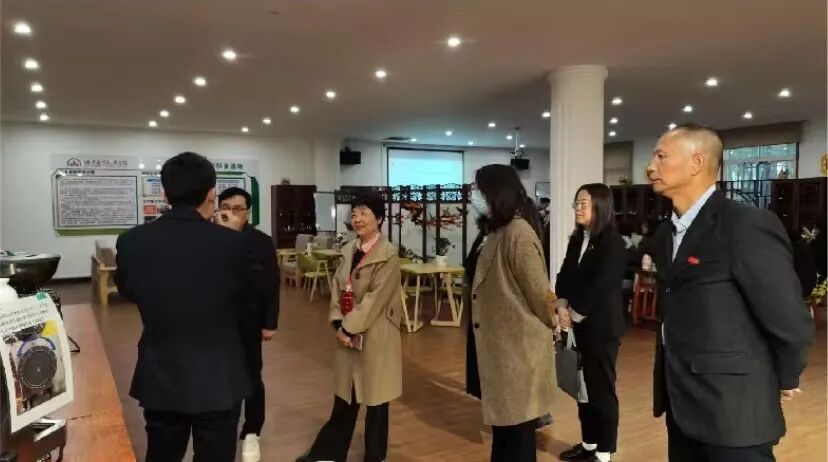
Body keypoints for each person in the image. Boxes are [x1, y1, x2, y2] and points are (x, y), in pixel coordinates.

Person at [646, 124, 814, 461]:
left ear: (696, 162)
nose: (650, 167)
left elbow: (788, 315)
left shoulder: (744, 224)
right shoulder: (666, 234)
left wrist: (786, 374)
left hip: (734, 408)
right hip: (681, 400)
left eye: (661, 157)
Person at [116, 152, 270, 462]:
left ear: (164, 193)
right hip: (219, 378)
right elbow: (254, 296)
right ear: (212, 194)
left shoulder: (132, 241)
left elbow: (129, 291)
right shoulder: (235, 244)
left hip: (161, 374)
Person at [297, 193, 402, 462]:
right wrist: (338, 323)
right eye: (354, 214)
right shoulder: (348, 250)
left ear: (380, 219)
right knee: (345, 398)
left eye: (364, 213)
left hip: (376, 336)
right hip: (347, 334)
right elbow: (336, 287)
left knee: (377, 404)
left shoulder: (389, 255)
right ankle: (327, 455)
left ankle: (375, 457)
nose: (357, 219)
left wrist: (349, 328)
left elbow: (375, 299)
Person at [470, 164, 557, 462]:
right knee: (505, 435)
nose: (474, 195)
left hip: (519, 353)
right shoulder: (497, 230)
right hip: (503, 351)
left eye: (478, 189)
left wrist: (557, 322)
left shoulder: (518, 233)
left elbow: (539, 293)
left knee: (518, 438)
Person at [555, 184, 627, 462]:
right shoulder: (578, 239)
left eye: (584, 203)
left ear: (601, 206)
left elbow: (600, 287)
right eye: (576, 203)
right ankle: (588, 444)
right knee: (582, 390)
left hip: (601, 329)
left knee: (601, 390)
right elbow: (564, 275)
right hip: (577, 325)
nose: (578, 208)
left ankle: (604, 452)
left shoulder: (613, 243)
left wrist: (572, 314)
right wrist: (561, 304)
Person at [217, 187, 279, 462]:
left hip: (249, 320)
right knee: (220, 375)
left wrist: (270, 322)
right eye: (225, 207)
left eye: (237, 209)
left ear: (248, 213)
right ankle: (223, 428)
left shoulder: (260, 241)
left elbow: (270, 284)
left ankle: (252, 430)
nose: (229, 213)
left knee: (252, 374)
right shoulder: (208, 237)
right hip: (216, 321)